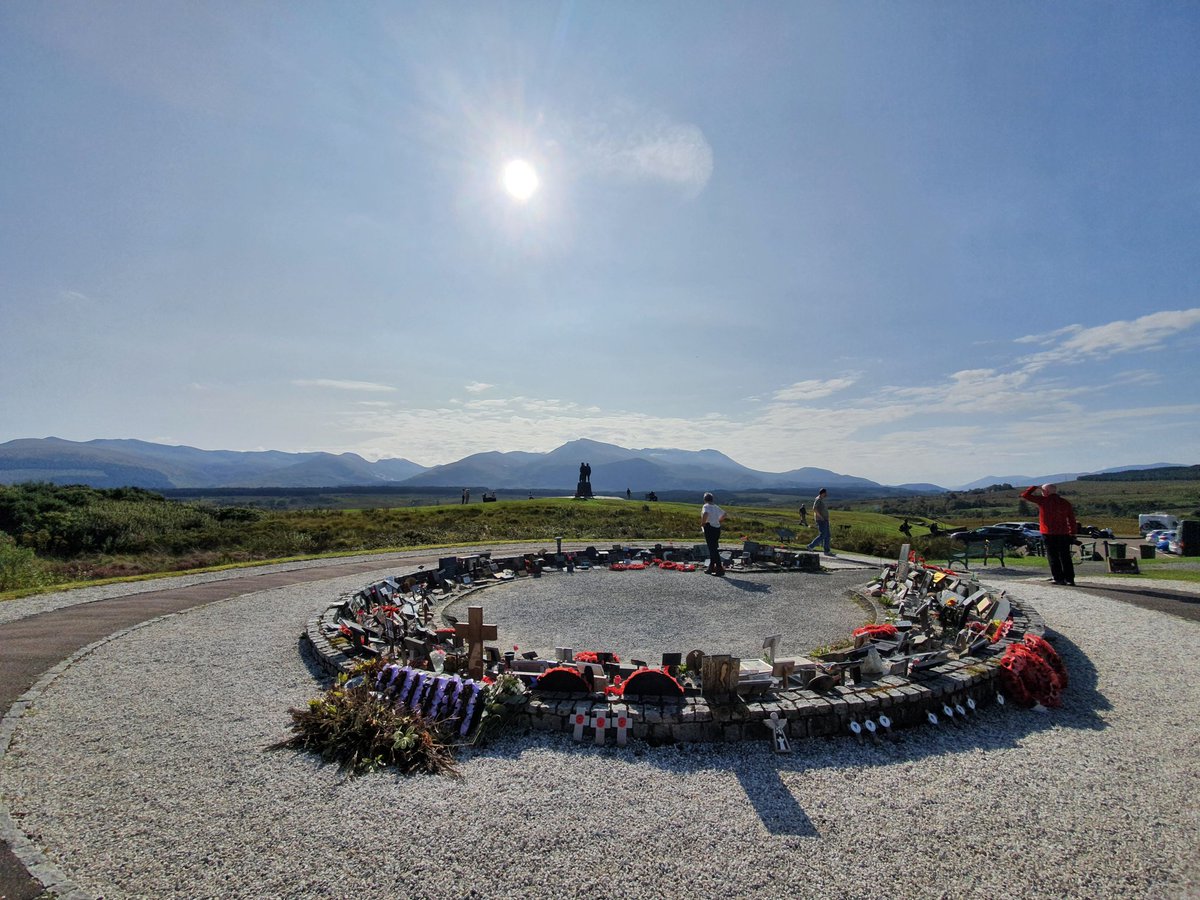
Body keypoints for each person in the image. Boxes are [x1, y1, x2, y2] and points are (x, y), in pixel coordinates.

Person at [1021, 483, 1077, 585]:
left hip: (1048, 533)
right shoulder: (1065, 502)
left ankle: (1059, 578)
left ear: (1045, 492)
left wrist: (1034, 487)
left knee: (1053, 556)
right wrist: (1072, 533)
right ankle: (1070, 579)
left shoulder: (1043, 501)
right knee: (1065, 556)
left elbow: (1025, 495)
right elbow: (1072, 519)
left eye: (1043, 491)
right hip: (1063, 533)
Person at [700, 492, 728, 576]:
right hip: (717, 528)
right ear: (712, 499)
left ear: (705, 499)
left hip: (709, 528)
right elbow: (725, 514)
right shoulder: (716, 507)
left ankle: (719, 568)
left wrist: (703, 523)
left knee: (712, 549)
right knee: (714, 547)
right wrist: (718, 520)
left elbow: (705, 514)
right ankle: (711, 567)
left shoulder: (706, 506)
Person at [805, 488, 833, 555]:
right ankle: (810, 546)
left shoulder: (821, 500)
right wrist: (820, 517)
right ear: (823, 493)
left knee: (828, 535)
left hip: (825, 520)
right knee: (823, 535)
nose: (826, 494)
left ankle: (827, 550)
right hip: (821, 520)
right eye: (825, 493)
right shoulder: (818, 499)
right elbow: (814, 508)